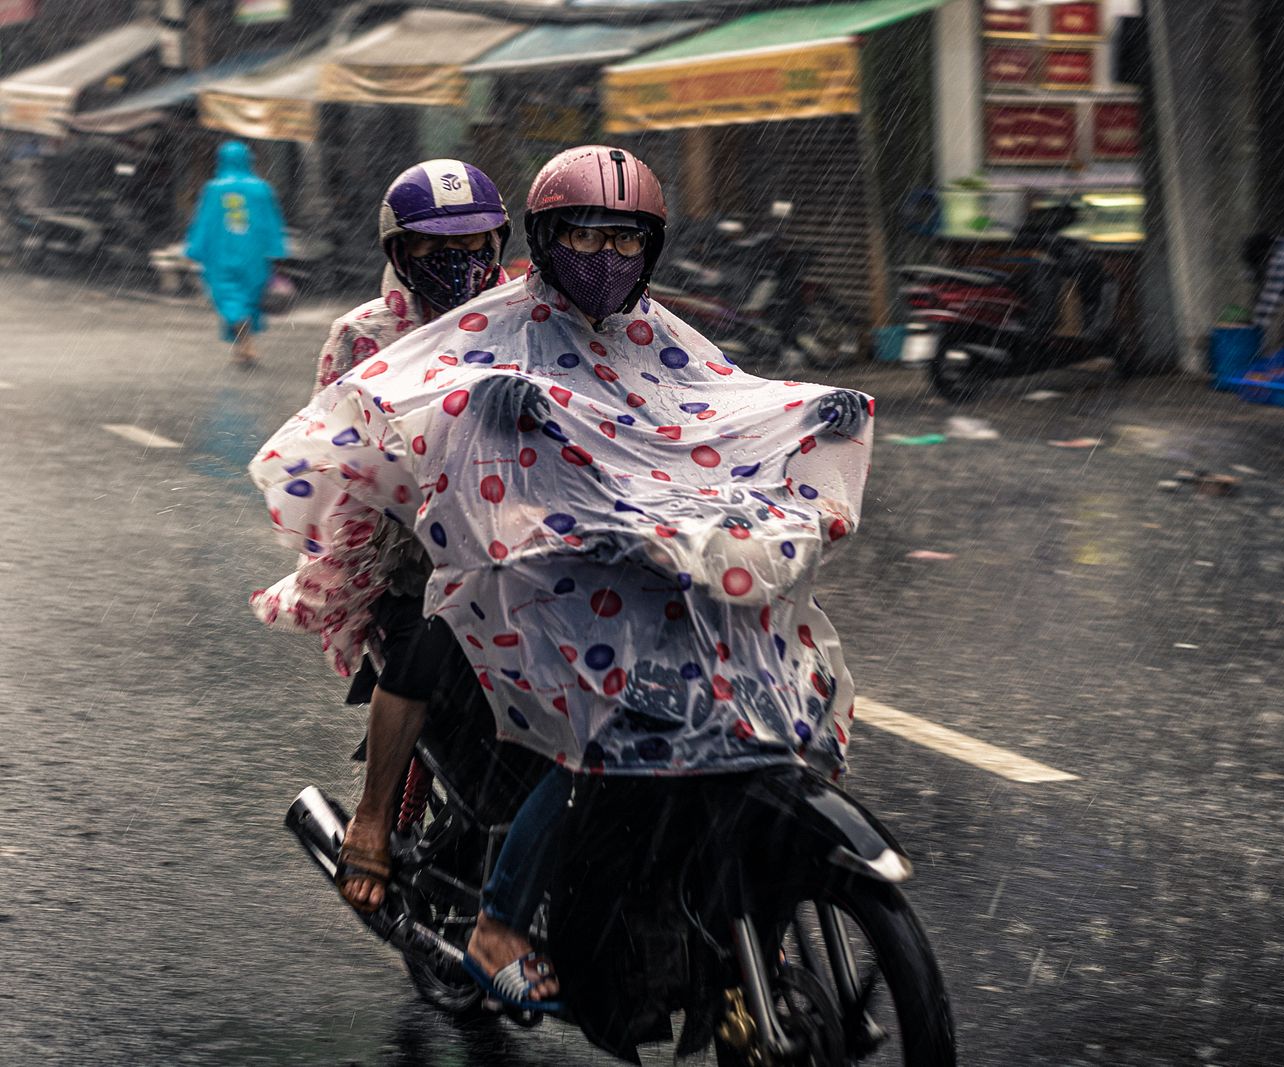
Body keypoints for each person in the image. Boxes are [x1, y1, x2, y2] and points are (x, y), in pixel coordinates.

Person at [250, 144, 873, 1016]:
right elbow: (357, 426)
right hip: (458, 548)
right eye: (585, 236)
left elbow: (720, 402)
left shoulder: (649, 325)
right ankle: (387, 833)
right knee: (583, 726)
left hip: (599, 547)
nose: (606, 260)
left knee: (762, 684)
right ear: (545, 240)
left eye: (626, 242)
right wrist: (469, 419)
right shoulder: (479, 324)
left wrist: (807, 414)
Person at [250, 159, 511, 916]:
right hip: (407, 556)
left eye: (475, 242)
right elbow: (334, 461)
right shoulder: (363, 335)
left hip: (524, 543)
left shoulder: (527, 319)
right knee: (433, 633)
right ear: (400, 254)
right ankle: (370, 817)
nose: (461, 261)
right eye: (435, 246)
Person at [185, 140, 286, 366]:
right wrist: (276, 249)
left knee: (230, 299)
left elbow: (204, 222)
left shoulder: (214, 189)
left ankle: (244, 346)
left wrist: (194, 249)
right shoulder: (261, 189)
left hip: (221, 256)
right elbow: (271, 222)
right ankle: (244, 345)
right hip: (254, 257)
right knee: (249, 299)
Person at [1010, 201, 1118, 345]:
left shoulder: (1056, 265)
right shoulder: (1071, 255)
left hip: (1077, 334)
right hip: (1086, 328)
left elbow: (1064, 325)